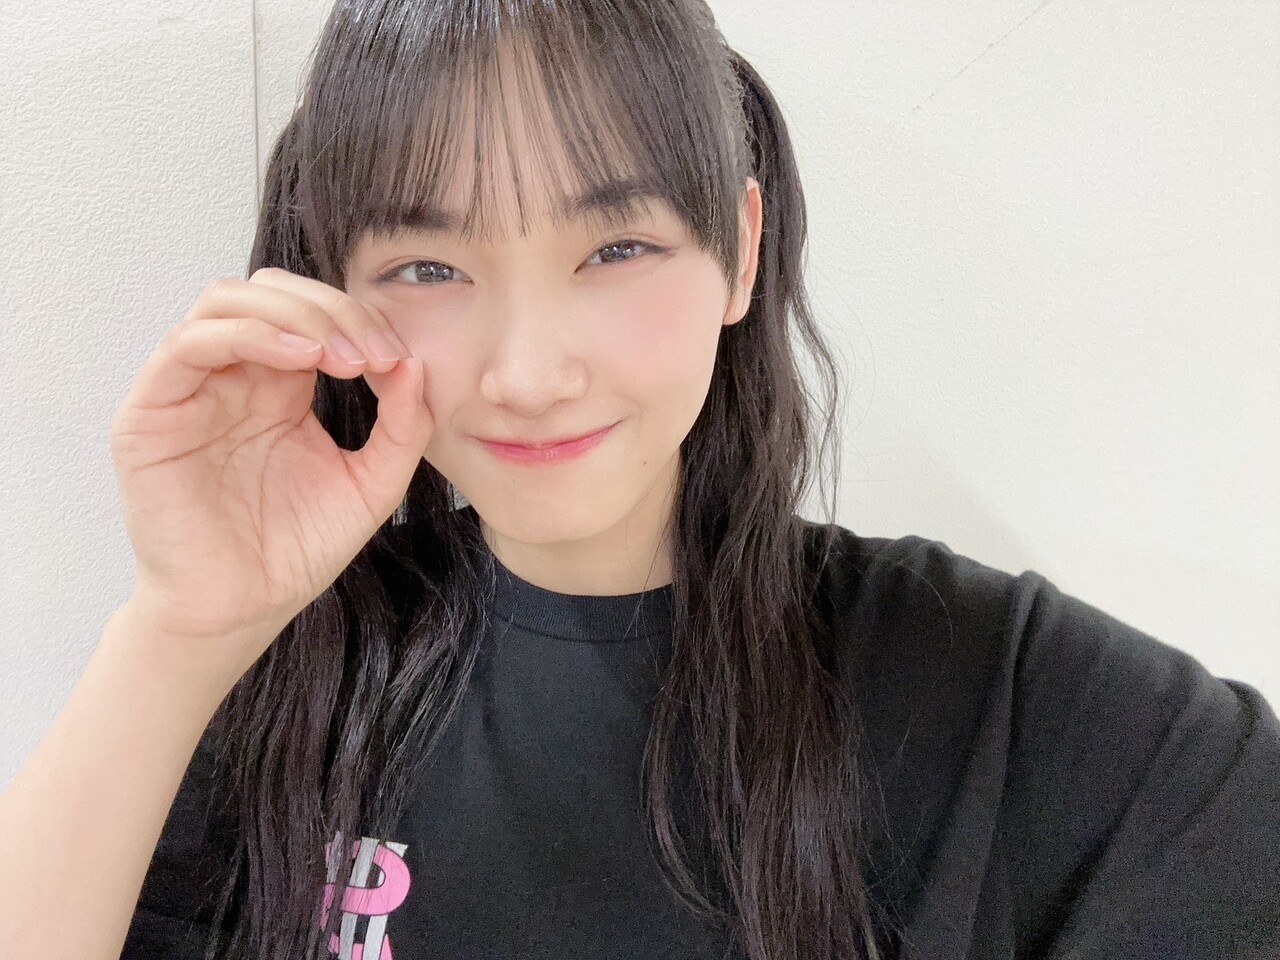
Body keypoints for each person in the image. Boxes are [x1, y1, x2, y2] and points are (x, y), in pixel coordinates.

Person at [2, 1, 1277, 958]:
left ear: (740, 250)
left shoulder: (988, 689)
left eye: (614, 247)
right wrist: (181, 628)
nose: (528, 373)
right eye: (429, 269)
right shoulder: (271, 671)